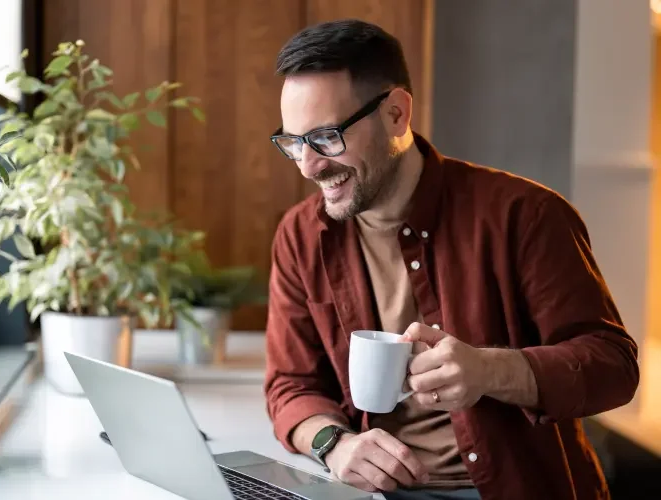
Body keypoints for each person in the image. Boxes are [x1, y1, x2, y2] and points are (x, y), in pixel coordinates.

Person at [263, 18, 639, 500]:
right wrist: (333, 445)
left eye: (327, 137)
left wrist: (489, 371)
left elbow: (614, 367)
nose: (309, 166)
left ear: (396, 114)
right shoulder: (300, 234)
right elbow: (290, 385)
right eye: (294, 142)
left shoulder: (525, 215)